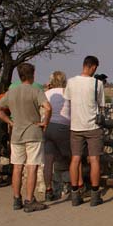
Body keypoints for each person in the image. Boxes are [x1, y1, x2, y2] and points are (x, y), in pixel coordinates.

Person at [0, 63, 51, 213]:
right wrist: (45, 122)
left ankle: (16, 198)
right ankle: (29, 199)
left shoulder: (11, 92)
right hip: (33, 132)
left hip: (17, 133)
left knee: (17, 167)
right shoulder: (36, 91)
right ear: (32, 74)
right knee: (32, 167)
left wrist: (10, 122)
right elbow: (48, 107)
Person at [63, 56, 106, 207]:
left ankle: (75, 194)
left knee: (75, 159)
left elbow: (67, 102)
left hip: (75, 127)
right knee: (94, 160)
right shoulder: (98, 83)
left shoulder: (71, 82)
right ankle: (95, 194)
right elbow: (101, 105)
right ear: (93, 67)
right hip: (93, 127)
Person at [43, 71, 76, 201]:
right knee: (74, 157)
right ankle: (76, 187)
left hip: (48, 127)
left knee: (48, 162)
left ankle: (48, 190)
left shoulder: (46, 93)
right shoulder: (68, 93)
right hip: (63, 127)